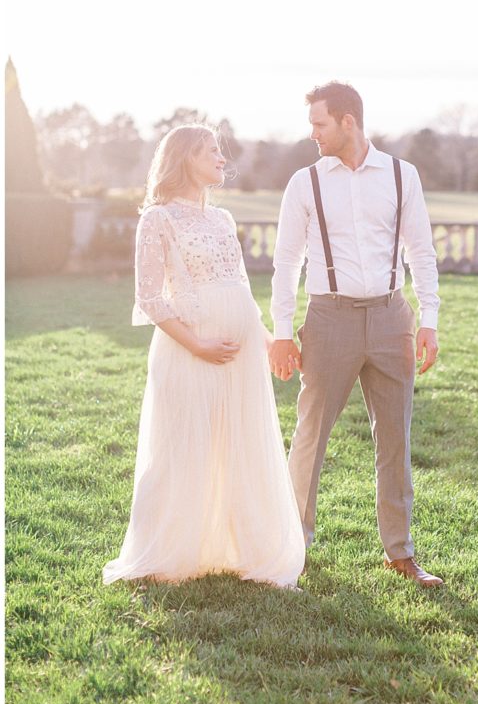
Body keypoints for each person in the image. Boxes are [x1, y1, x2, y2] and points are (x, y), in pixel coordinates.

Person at [103, 124, 305, 589]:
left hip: (240, 354)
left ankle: (241, 548)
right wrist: (197, 345)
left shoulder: (223, 219)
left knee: (240, 445)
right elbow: (150, 298)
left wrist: (266, 338)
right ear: (183, 159)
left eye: (219, 150)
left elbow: (239, 287)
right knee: (182, 447)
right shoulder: (157, 219)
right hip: (188, 350)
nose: (220, 156)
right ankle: (169, 552)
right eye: (210, 150)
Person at [269, 83, 443, 587]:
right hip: (329, 320)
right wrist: (283, 332)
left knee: (395, 439)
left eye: (320, 125)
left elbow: (421, 252)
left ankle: (400, 553)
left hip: (392, 319)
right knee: (310, 435)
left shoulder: (399, 174)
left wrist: (427, 318)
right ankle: (292, 545)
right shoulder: (305, 183)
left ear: (349, 122)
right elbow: (285, 262)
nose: (314, 135)